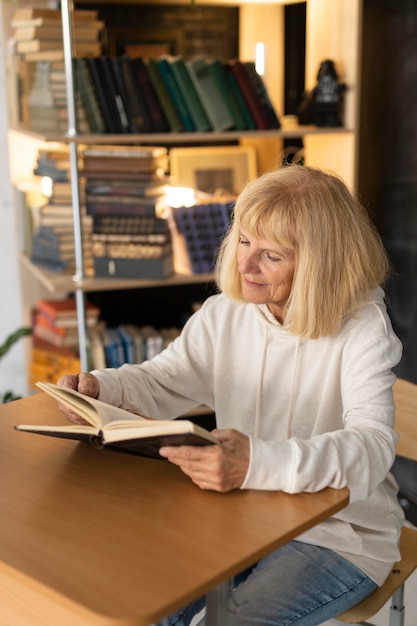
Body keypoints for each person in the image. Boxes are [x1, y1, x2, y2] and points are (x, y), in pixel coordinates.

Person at [58, 165, 404, 626]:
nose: (244, 266)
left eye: (271, 255)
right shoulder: (227, 314)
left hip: (339, 533)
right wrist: (104, 387)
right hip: (243, 513)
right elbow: (166, 379)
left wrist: (255, 463)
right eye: (243, 242)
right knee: (141, 604)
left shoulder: (364, 331)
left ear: (319, 262)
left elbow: (372, 447)